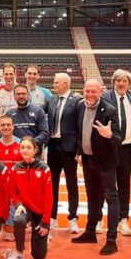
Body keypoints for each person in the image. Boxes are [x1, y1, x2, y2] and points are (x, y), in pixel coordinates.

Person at [72, 79, 121, 255]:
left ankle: (111, 240)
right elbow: (80, 132)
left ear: (100, 91)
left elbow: (119, 139)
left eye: (93, 91)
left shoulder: (110, 110)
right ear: (83, 91)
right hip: (88, 161)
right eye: (87, 91)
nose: (90, 94)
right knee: (92, 198)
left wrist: (109, 135)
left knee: (111, 199)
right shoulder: (80, 106)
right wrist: (79, 151)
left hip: (106, 162)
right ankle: (90, 232)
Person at [100, 69, 131, 236]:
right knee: (105, 184)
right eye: (118, 80)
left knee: (124, 184)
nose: (121, 83)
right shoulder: (105, 96)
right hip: (108, 147)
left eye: (125, 81)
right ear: (113, 82)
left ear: (130, 84)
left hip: (126, 148)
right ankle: (98, 219)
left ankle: (123, 219)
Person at [4, 136, 52, 259]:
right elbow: (13, 193)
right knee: (18, 219)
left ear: (35, 150)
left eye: (29, 147)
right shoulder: (15, 169)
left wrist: (46, 222)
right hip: (25, 208)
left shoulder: (44, 169)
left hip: (40, 212)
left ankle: (43, 240)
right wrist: (18, 204)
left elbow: (48, 197)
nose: (25, 150)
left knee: (38, 256)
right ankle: (19, 253)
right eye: (22, 147)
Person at [43, 73, 81, 233]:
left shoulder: (77, 101)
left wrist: (79, 150)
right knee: (52, 184)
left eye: (56, 82)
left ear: (66, 84)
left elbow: (80, 126)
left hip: (69, 148)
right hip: (53, 146)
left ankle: (72, 218)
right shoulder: (51, 99)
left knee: (72, 183)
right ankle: (52, 217)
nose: (54, 84)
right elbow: (38, 112)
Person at [0, 115, 22, 241]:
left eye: (8, 125)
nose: (6, 127)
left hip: (16, 189)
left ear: (13, 127)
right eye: (3, 125)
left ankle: (14, 223)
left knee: (9, 233)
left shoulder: (21, 144)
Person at [6, 85, 49, 152]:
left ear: (28, 95)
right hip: (14, 151)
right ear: (14, 96)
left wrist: (31, 143)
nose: (21, 96)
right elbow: (4, 131)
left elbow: (44, 132)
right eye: (18, 94)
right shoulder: (10, 113)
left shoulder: (38, 111)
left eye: (23, 94)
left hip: (33, 151)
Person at [0, 63, 18, 134]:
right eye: (6, 74)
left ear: (15, 74)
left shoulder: (21, 91)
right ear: (3, 75)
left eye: (11, 74)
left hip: (18, 130)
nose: (8, 76)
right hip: (1, 131)